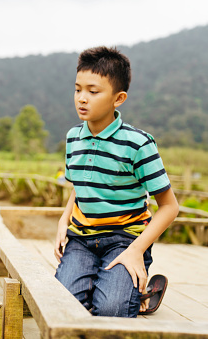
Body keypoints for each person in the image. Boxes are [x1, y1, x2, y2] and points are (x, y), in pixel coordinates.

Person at [53, 46, 179, 318]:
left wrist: (135, 251)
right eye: (78, 90)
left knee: (111, 310)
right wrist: (64, 220)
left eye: (93, 91)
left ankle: (137, 292)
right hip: (83, 238)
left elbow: (170, 207)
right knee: (62, 306)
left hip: (126, 239)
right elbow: (80, 185)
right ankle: (129, 291)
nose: (82, 99)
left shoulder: (138, 144)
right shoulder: (73, 137)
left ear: (118, 98)